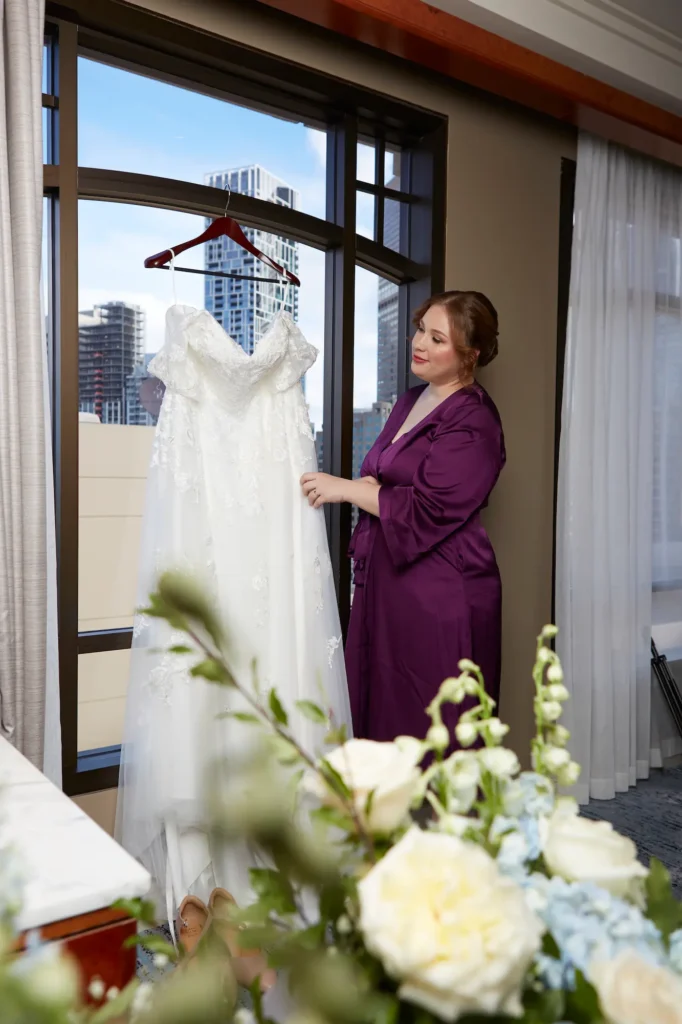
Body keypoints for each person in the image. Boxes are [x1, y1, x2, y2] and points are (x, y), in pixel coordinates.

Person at [300, 290, 505, 745]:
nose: (420, 343)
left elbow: (430, 507)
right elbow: (383, 478)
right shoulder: (412, 400)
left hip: (442, 589)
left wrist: (347, 489)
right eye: (420, 330)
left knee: (433, 718)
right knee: (383, 709)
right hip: (392, 580)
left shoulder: (476, 421)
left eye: (437, 338)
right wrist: (369, 489)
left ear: (469, 356)